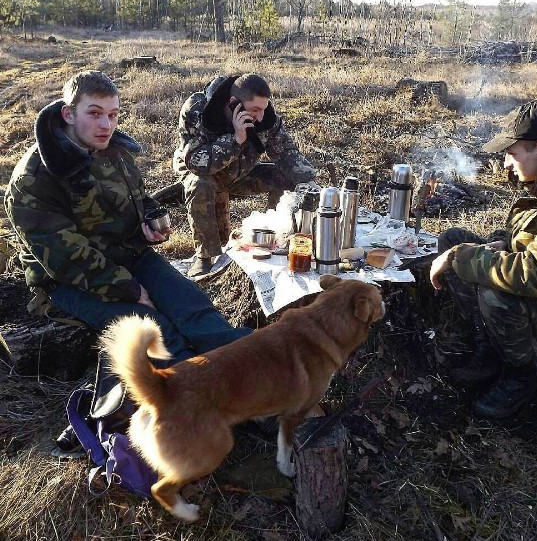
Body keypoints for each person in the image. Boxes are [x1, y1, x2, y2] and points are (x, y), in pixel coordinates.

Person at [4, 71, 254, 447]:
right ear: (69, 114)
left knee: (193, 306)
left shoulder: (113, 150)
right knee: (154, 329)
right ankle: (198, 410)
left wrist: (151, 220)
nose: (106, 124)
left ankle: (252, 383)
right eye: (95, 113)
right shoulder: (35, 177)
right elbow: (64, 258)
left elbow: (139, 197)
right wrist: (129, 289)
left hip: (129, 253)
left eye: (114, 114)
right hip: (70, 280)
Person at [429, 99, 537, 419]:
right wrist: (493, 244)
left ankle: (520, 377)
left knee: (497, 288)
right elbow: (536, 233)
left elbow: (534, 275)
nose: (505, 164)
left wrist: (461, 258)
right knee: (453, 238)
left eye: (512, 153)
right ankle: (489, 346)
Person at [173, 73, 317, 277]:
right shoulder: (198, 110)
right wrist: (236, 139)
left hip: (242, 173)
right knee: (199, 185)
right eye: (255, 110)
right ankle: (204, 255)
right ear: (233, 104)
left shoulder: (265, 116)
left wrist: (308, 179)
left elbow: (286, 153)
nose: (260, 117)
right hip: (206, 174)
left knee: (286, 178)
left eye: (263, 109)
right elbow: (199, 164)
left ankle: (274, 237)